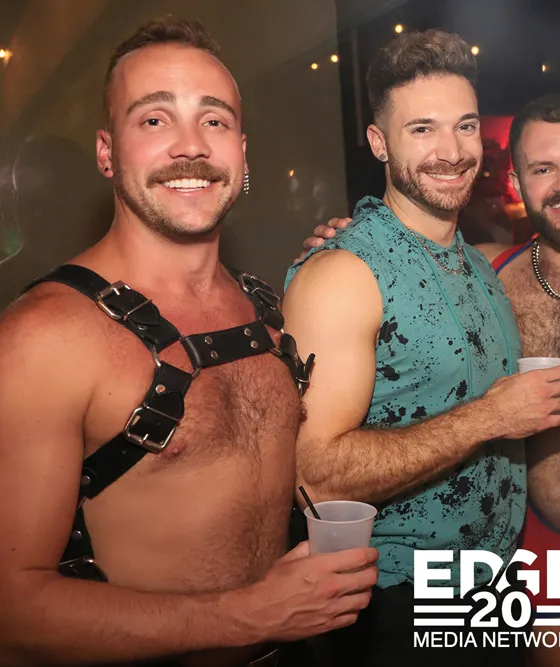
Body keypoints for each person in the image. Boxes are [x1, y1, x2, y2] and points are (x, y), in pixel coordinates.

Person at [0, 18, 378, 667]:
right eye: (154, 120)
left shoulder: (265, 310)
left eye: (214, 120)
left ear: (242, 153)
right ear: (107, 152)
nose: (191, 146)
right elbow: (10, 611)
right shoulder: (44, 339)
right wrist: (251, 615)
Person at [302, 92, 560, 666]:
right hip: (538, 554)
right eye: (543, 169)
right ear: (518, 182)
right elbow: (398, 261)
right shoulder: (487, 272)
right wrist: (341, 246)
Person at [281, 29, 560, 667]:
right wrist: (492, 417)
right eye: (422, 130)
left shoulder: (474, 263)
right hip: (397, 598)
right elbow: (316, 476)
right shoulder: (343, 275)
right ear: (379, 143)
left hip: (492, 584)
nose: (452, 151)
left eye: (465, 126)